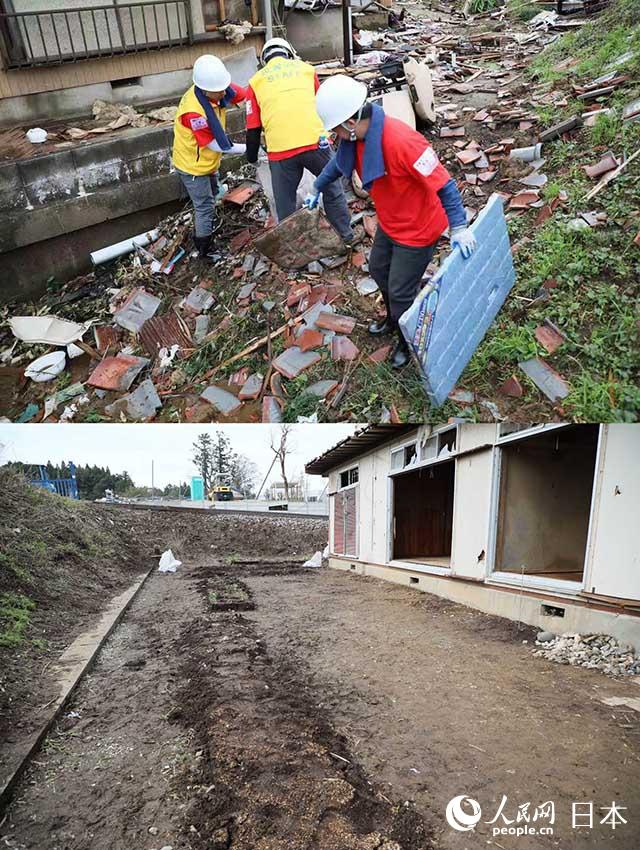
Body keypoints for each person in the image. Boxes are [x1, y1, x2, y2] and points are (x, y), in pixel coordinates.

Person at [310, 75, 478, 369]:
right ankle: (394, 318)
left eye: (335, 126)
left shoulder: (402, 140)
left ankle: (408, 339)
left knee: (401, 290)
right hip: (391, 220)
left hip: (418, 227)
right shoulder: (355, 140)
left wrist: (459, 227)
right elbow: (338, 165)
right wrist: (317, 188)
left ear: (350, 122)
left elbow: (445, 185)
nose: (333, 133)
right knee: (378, 268)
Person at [244, 38, 353, 244]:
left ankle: (295, 252)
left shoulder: (255, 82)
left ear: (264, 60)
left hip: (281, 151)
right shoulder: (306, 70)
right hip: (316, 143)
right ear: (289, 53)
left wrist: (251, 158)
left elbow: (253, 130)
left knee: (285, 204)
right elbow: (323, 106)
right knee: (332, 189)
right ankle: (345, 236)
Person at [172, 55, 248, 259]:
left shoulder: (218, 87)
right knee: (204, 206)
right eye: (220, 90)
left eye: (225, 87)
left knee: (214, 192)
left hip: (207, 162)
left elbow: (246, 94)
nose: (225, 93)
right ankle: (204, 248)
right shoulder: (193, 112)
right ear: (205, 90)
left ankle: (213, 219)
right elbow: (214, 144)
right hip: (192, 167)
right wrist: (249, 147)